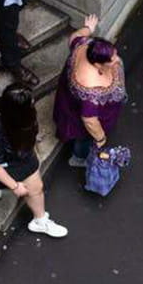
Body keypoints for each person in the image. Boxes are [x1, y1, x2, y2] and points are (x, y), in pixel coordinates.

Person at [0, 83, 68, 237]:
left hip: (21, 155)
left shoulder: (17, 113)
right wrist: (14, 186)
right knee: (35, 188)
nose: (33, 101)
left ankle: (40, 220)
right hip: (9, 161)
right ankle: (40, 221)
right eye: (30, 101)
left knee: (36, 188)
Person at [53, 14, 127, 168]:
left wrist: (88, 28)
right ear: (98, 65)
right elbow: (89, 120)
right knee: (84, 138)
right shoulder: (90, 91)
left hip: (68, 98)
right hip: (81, 117)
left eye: (115, 54)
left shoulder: (83, 45)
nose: (117, 59)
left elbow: (75, 36)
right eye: (112, 60)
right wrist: (100, 138)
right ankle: (79, 158)